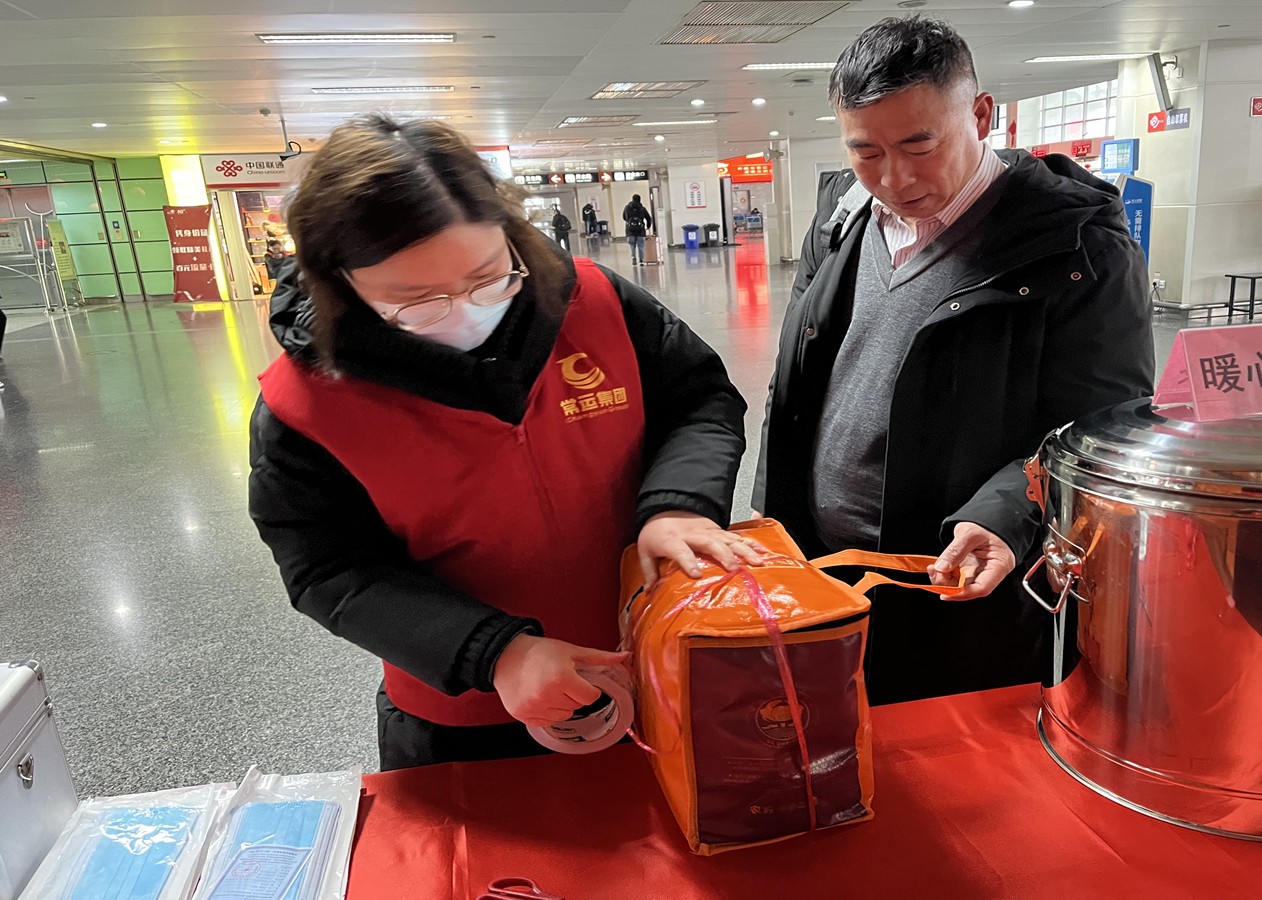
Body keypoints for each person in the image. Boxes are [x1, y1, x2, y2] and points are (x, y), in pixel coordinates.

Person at [248, 115, 755, 769]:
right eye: (416, 301)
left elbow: (699, 399)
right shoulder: (305, 406)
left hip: (653, 662)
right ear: (338, 280)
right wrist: (495, 652)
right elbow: (329, 570)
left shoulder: (596, 306)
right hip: (467, 717)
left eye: (488, 277)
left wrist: (678, 504)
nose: (464, 309)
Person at [753, 16, 1154, 705]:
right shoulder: (844, 217)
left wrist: (1005, 515)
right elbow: (798, 381)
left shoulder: (1076, 248)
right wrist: (772, 527)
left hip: (952, 577)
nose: (894, 177)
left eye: (919, 143)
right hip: (824, 565)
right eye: (866, 151)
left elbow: (1098, 428)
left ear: (981, 115)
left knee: (937, 752)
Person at [623, 194, 652, 265]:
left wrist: (629, 222)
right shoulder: (642, 208)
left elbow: (624, 217)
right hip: (640, 230)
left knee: (632, 245)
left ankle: (633, 257)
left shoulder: (627, 208)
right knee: (641, 245)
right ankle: (641, 260)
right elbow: (648, 218)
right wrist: (648, 226)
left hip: (630, 230)